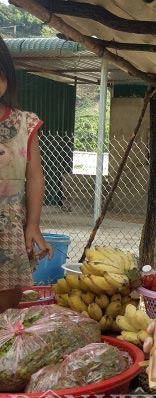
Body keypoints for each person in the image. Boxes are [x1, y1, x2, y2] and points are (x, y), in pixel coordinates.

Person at [0, 37, 52, 312]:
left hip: (9, 232)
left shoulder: (24, 124)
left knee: (6, 309)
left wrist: (33, 225)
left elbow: (34, 177)